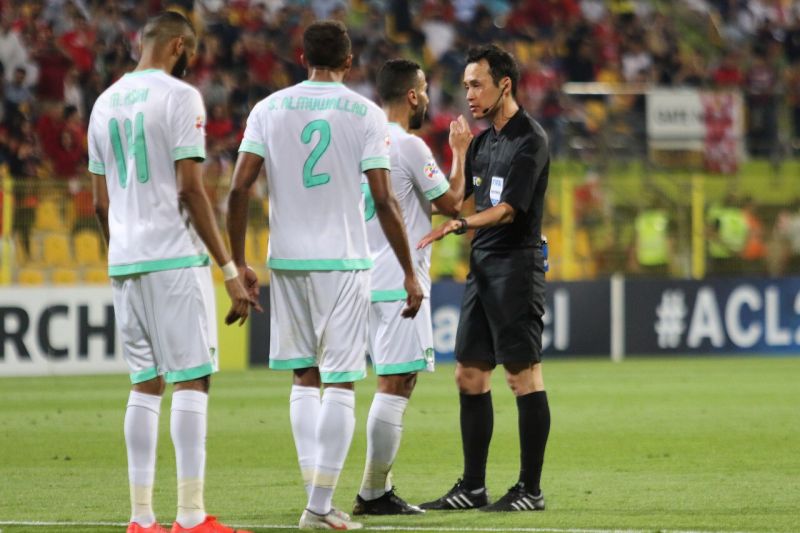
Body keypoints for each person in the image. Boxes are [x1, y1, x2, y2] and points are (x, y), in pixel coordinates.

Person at [226, 21, 423, 531]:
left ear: (302, 58)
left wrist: (237, 263)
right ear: (349, 62)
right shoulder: (366, 113)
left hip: (287, 259)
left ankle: (315, 496)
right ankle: (318, 506)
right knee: (340, 380)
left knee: (303, 375)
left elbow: (239, 188)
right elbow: (383, 199)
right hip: (343, 261)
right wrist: (409, 271)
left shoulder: (268, 108)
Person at [87, 11, 256, 533]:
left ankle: (141, 519)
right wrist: (228, 267)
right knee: (191, 378)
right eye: (192, 52)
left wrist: (123, 251)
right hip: (174, 257)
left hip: (125, 258)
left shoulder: (103, 103)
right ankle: (190, 515)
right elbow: (189, 189)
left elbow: (98, 203)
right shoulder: (180, 97)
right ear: (179, 46)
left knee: (145, 382)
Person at [417, 43, 551, 512]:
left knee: (522, 376)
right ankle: (473, 488)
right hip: (483, 267)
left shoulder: (529, 139)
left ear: (504, 85)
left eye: (477, 85)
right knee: (469, 374)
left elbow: (508, 209)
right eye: (466, 86)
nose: (469, 95)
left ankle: (530, 490)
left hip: (517, 266)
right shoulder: (480, 141)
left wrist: (461, 226)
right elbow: (458, 201)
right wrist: (457, 154)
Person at [351, 59, 471, 516]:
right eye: (425, 91)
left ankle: (374, 488)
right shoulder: (409, 145)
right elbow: (452, 203)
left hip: (358, 277)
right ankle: (373, 493)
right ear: (412, 95)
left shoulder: (360, 139)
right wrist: (459, 152)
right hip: (397, 280)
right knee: (396, 382)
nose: (427, 100)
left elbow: (392, 200)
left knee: (384, 380)